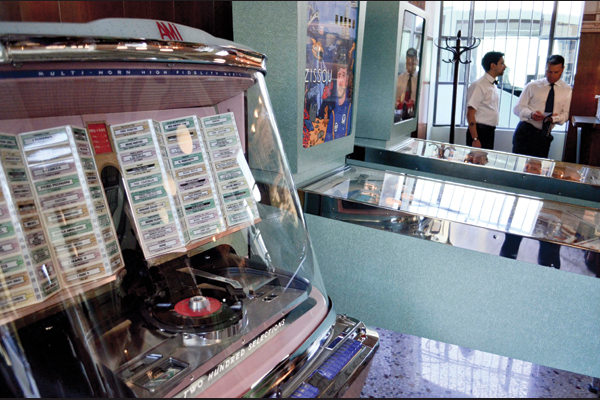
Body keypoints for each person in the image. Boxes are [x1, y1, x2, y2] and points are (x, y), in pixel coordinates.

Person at [511, 55, 572, 158]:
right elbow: (517, 108)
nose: (552, 75)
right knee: (519, 164)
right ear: (545, 68)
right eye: (549, 71)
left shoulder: (567, 90)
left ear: (562, 69)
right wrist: (531, 114)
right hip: (526, 131)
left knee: (539, 166)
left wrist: (555, 119)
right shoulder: (533, 86)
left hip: (544, 135)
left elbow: (566, 114)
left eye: (556, 72)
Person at [465, 51, 506, 149]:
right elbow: (470, 114)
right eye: (502, 63)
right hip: (480, 131)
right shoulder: (479, 85)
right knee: (477, 158)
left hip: (489, 131)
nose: (505, 66)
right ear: (493, 66)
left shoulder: (492, 85)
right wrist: (475, 139)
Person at [325, 50, 352, 141]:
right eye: (338, 75)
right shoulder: (332, 114)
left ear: (347, 80)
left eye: (343, 75)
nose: (340, 81)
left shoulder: (351, 110)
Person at [396, 47, 419, 121]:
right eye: (408, 64)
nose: (410, 67)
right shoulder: (400, 78)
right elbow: (396, 98)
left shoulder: (419, 79)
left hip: (415, 116)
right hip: (401, 115)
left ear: (417, 62)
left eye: (412, 64)